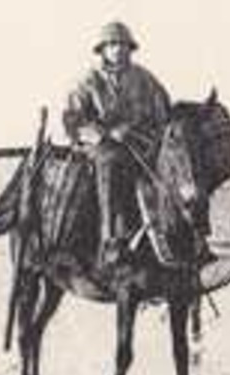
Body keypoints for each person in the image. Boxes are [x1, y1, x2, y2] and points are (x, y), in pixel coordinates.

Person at [62, 20, 171, 272]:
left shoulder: (144, 79)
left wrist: (144, 133)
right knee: (111, 162)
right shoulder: (87, 81)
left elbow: (163, 111)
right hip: (98, 148)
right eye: (112, 45)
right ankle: (111, 240)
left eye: (122, 45)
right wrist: (107, 134)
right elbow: (73, 120)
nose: (118, 50)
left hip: (139, 145)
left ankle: (182, 238)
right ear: (102, 50)